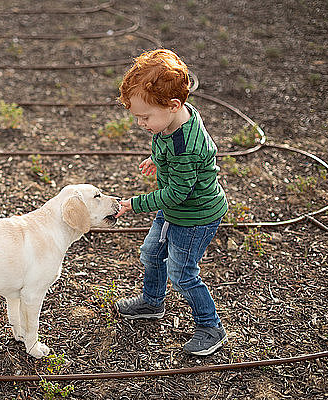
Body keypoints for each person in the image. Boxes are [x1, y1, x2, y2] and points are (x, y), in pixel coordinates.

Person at [114, 49, 228, 356]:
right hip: (175, 210)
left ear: (174, 105)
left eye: (144, 117)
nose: (140, 124)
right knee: (152, 253)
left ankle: (210, 326)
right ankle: (152, 302)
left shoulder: (185, 146)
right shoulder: (172, 121)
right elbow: (167, 146)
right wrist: (157, 158)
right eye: (137, 116)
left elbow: (178, 193)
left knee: (182, 272)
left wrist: (134, 203)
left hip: (194, 216)